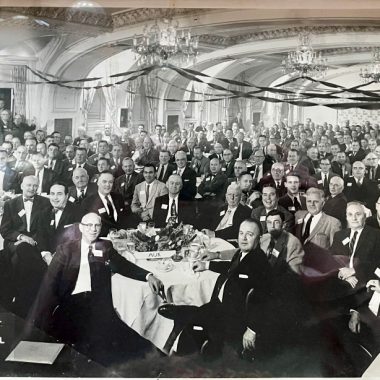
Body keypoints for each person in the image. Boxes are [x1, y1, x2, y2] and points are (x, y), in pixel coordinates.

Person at [29, 212, 163, 367]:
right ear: (81, 227)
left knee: (129, 345)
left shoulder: (105, 247)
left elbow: (123, 265)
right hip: (70, 306)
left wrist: (148, 276)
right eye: (89, 225)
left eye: (97, 225)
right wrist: (38, 323)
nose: (93, 229)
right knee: (80, 349)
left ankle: (162, 366)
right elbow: (49, 285)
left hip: (98, 306)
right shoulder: (66, 250)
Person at [158, 218, 272, 358]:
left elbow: (264, 299)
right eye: (241, 233)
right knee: (194, 316)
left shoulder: (260, 263)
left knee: (192, 323)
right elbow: (232, 269)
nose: (243, 238)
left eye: (249, 234)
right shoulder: (242, 253)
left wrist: (252, 330)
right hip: (221, 305)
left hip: (232, 318)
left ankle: (175, 354)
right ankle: (185, 316)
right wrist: (206, 265)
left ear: (258, 238)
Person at [0, 175, 51, 316]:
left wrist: (33, 240)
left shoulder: (45, 203)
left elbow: (46, 228)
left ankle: (21, 298)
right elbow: (4, 229)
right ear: (21, 186)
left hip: (36, 243)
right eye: (29, 185)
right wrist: (21, 237)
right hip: (16, 242)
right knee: (21, 249)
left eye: (35, 185)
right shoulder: (11, 204)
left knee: (20, 259)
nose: (32, 188)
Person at [81, 171, 127, 236]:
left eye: (110, 182)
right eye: (104, 182)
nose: (108, 185)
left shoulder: (118, 197)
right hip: (101, 240)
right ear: (98, 183)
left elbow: (124, 218)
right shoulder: (88, 202)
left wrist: (123, 230)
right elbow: (88, 227)